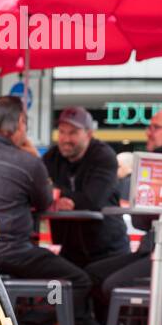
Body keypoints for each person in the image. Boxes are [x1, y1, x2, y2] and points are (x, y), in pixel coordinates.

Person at [0, 95, 105, 325]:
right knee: (78, 281)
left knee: (52, 280)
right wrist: (30, 154)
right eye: (25, 124)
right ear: (19, 123)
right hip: (11, 252)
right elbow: (44, 202)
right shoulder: (27, 162)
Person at [87, 107, 162, 312]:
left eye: (155, 127)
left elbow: (141, 218)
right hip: (156, 250)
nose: (148, 132)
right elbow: (140, 220)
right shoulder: (159, 161)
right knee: (93, 274)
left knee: (112, 285)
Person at [42, 106, 129, 265]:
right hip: (69, 248)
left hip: (108, 249)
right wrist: (56, 197)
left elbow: (92, 201)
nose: (66, 138)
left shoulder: (104, 156)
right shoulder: (52, 157)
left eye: (73, 132)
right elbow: (40, 187)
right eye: (62, 132)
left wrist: (58, 195)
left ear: (89, 134)